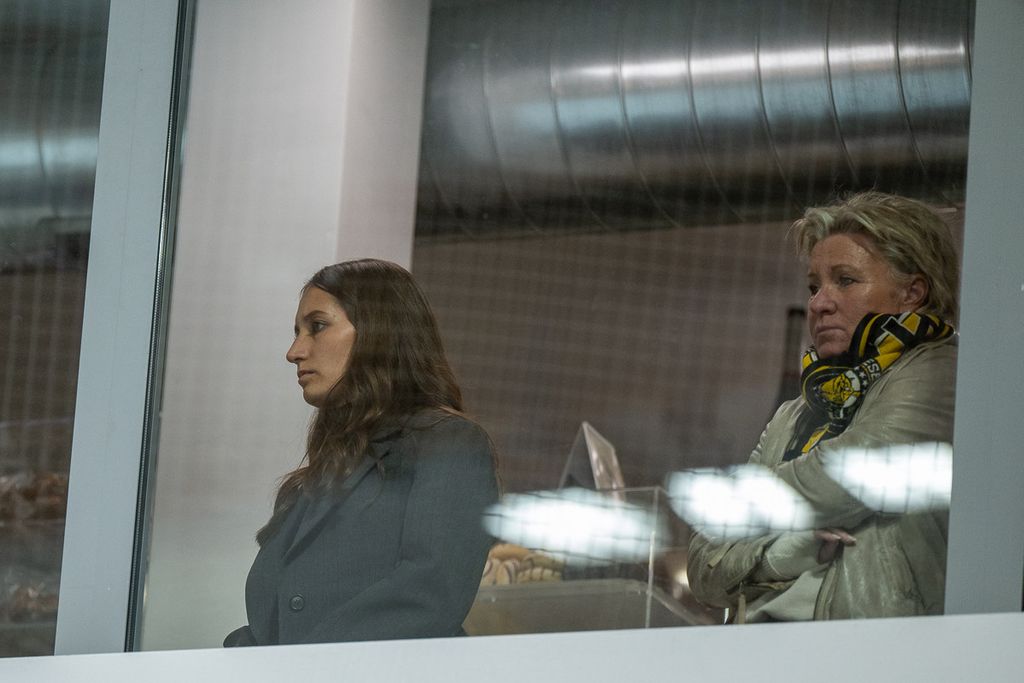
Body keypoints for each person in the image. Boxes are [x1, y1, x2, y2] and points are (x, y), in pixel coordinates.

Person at [687, 192, 959, 621]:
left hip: (876, 652)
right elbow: (703, 566)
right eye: (814, 286)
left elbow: (849, 474)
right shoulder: (792, 415)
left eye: (845, 281)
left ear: (912, 292)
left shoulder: (942, 370)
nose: (818, 303)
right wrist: (779, 556)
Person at [224, 259, 499, 645]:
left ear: (378, 332)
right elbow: (275, 623)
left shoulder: (450, 443)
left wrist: (296, 666)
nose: (294, 351)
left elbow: (430, 595)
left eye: (317, 326)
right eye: (297, 332)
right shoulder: (309, 484)